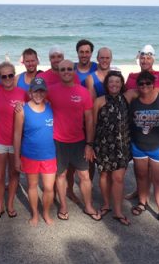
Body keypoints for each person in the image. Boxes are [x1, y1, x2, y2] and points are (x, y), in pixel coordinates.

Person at [48, 59, 101, 221]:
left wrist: (89, 144)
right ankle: (63, 206)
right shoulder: (50, 91)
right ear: (58, 72)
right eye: (62, 69)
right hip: (58, 141)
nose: (66, 72)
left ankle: (88, 206)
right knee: (61, 175)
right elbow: (35, 101)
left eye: (69, 69)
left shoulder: (83, 92)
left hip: (79, 141)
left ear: (74, 71)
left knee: (84, 175)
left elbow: (89, 120)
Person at [129, 71, 159, 227]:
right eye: (141, 83)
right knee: (141, 177)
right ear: (137, 85)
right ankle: (142, 203)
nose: (145, 86)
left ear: (153, 84)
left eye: (148, 83)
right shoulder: (133, 101)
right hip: (139, 147)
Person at [14, 78, 56, 226]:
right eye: (35, 91)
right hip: (30, 155)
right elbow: (17, 135)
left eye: (41, 91)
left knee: (49, 188)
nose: (38, 94)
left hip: (49, 155)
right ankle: (35, 214)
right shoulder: (22, 110)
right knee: (32, 186)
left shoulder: (51, 107)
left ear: (45, 92)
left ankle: (46, 212)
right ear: (30, 92)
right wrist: (17, 158)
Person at [0, 61, 28, 219]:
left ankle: (10, 204)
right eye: (4, 76)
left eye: (10, 75)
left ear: (14, 75)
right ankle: (0, 206)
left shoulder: (22, 93)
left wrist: (25, 104)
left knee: (14, 174)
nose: (7, 78)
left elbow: (38, 103)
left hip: (16, 143)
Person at [93, 70, 132, 226]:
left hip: (122, 145)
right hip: (103, 144)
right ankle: (106, 204)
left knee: (118, 178)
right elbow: (93, 124)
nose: (114, 84)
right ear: (106, 85)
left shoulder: (127, 97)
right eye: (111, 82)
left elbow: (151, 89)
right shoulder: (99, 101)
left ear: (122, 84)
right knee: (104, 176)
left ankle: (118, 211)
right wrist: (90, 145)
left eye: (117, 81)